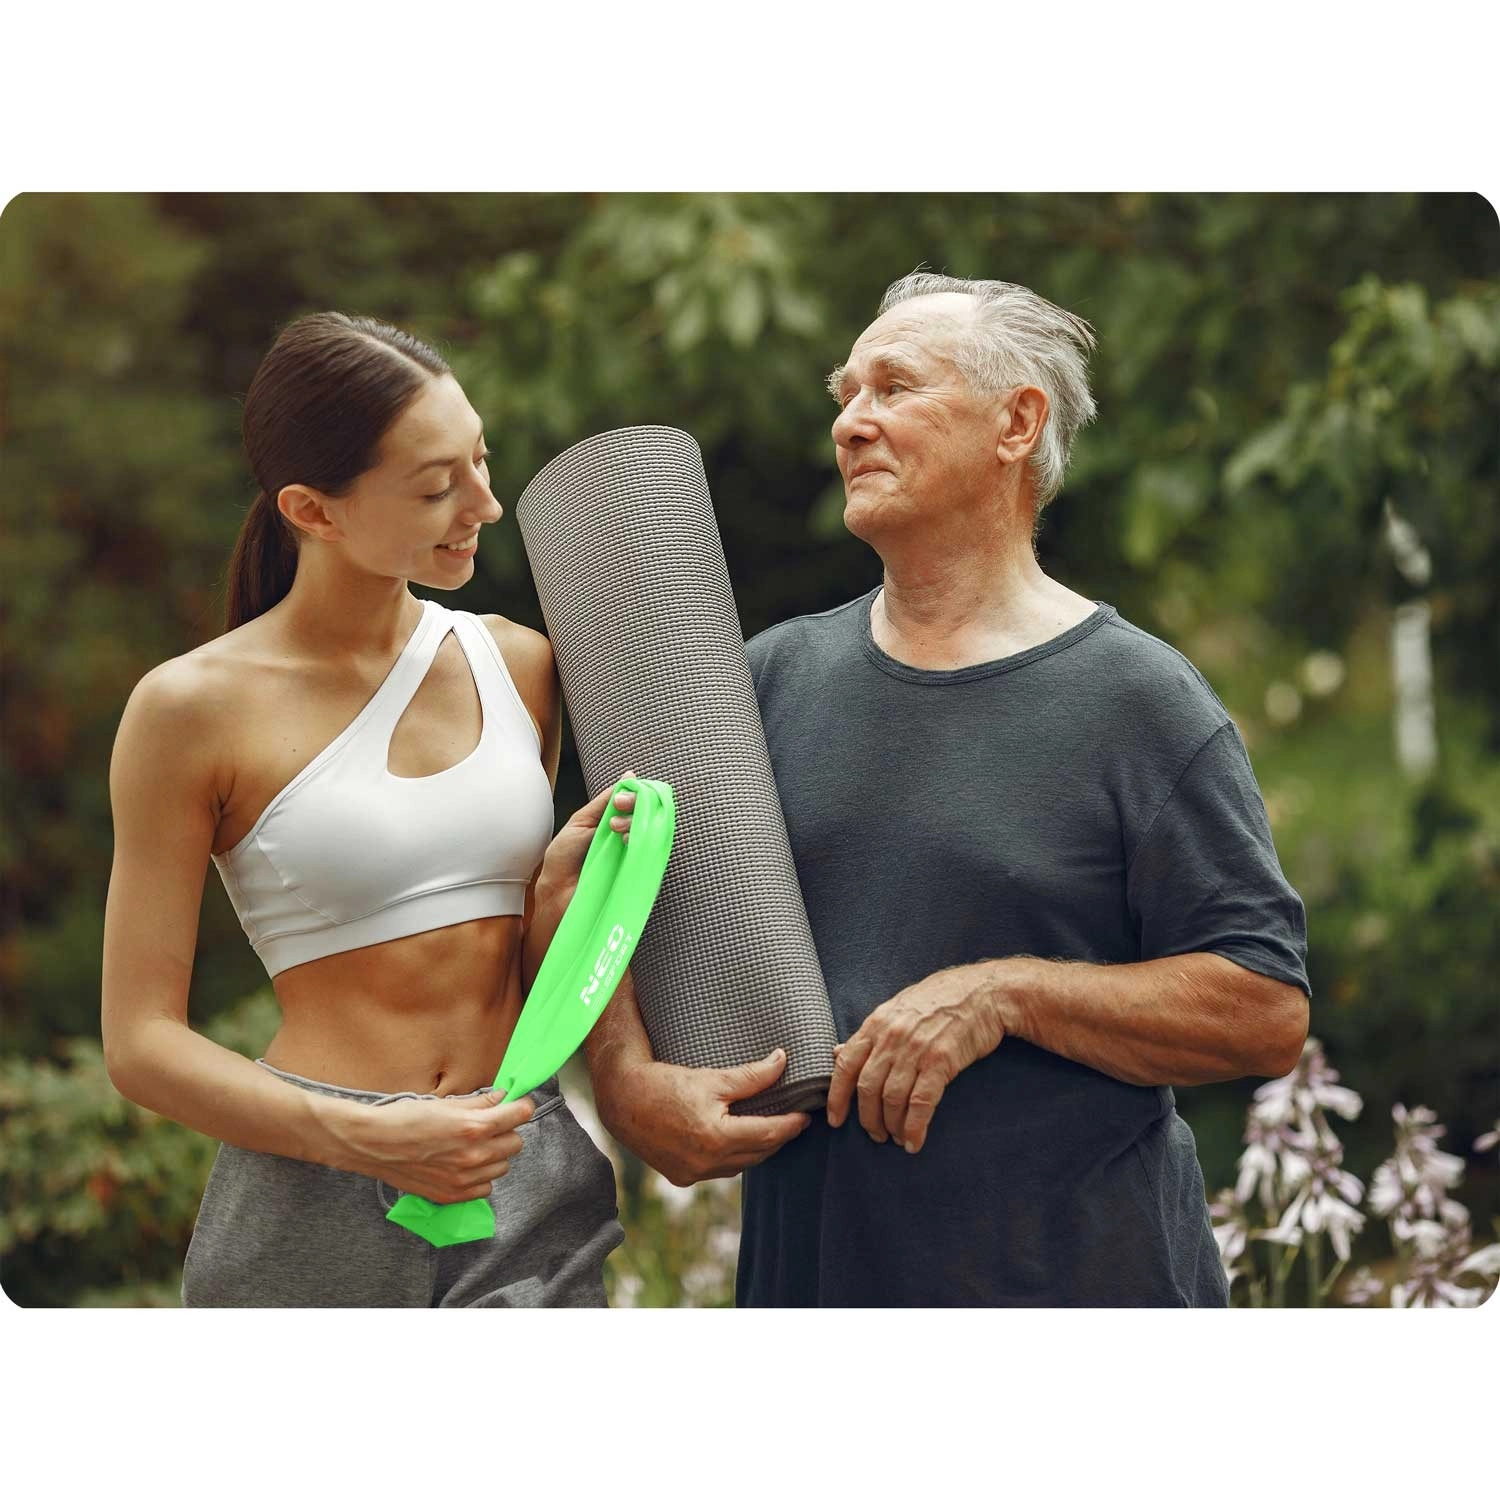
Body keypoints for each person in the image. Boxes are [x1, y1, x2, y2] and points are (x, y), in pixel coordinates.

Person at [585, 272, 1312, 1306]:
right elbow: (609, 898)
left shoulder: (1138, 699)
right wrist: (626, 1082)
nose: (850, 422)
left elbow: (1263, 1008)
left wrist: (1005, 994)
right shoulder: (766, 680)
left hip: (1078, 1292)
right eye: (845, 394)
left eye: (894, 387)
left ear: (1017, 423)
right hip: (812, 1287)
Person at [103, 312, 637, 1308]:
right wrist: (368, 1137)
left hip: (521, 1172)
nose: (485, 504)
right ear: (313, 510)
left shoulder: (519, 664)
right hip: (312, 1196)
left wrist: (561, 900)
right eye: (436, 488)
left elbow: (511, 969)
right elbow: (140, 1044)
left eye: (480, 460)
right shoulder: (188, 710)